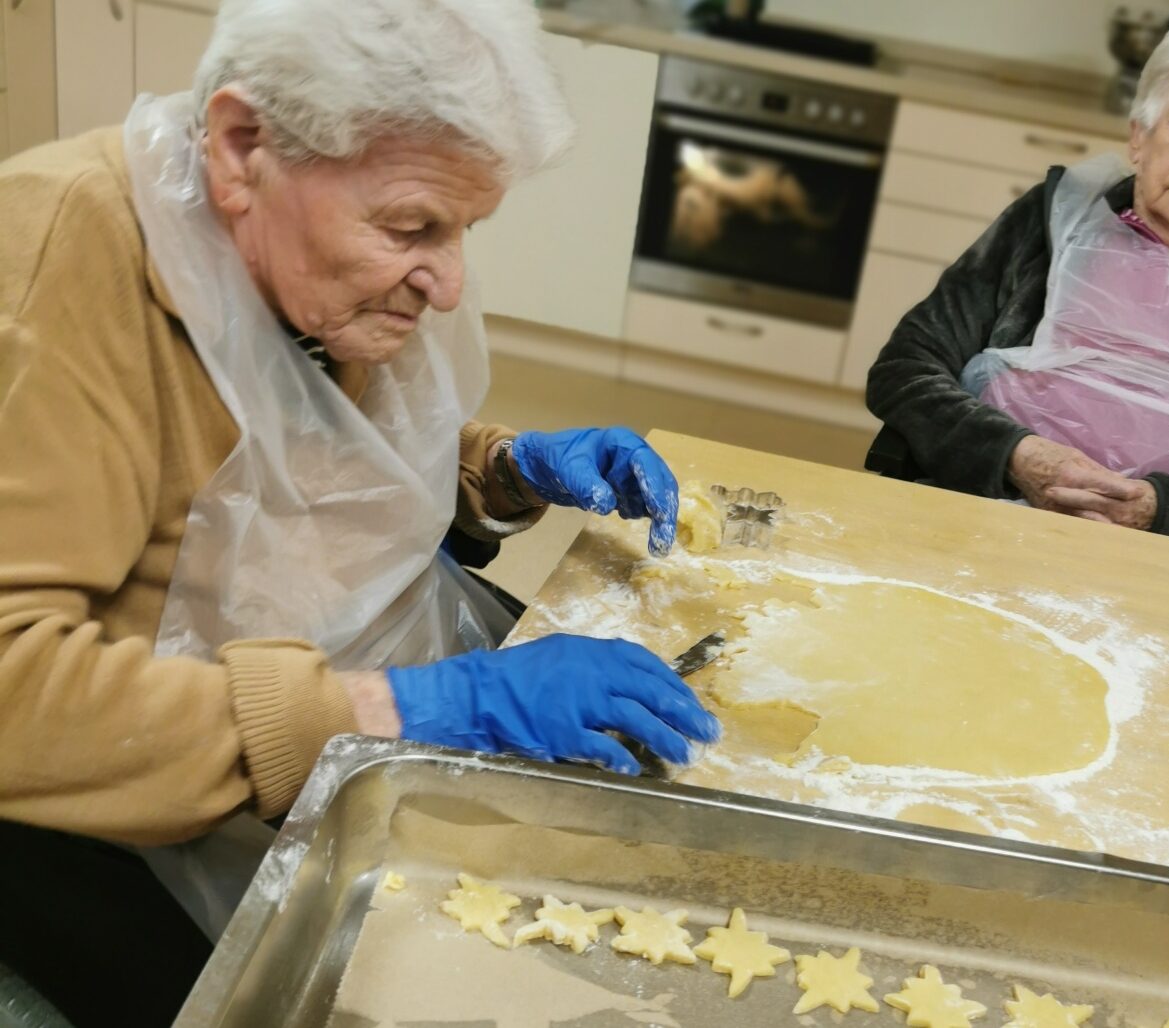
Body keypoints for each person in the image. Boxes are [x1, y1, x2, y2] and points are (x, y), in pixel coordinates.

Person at [0, 0, 719, 1021]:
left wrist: (502, 468)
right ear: (240, 147)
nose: (450, 281)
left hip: (331, 658)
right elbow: (16, 693)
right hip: (107, 792)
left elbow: (306, 454)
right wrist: (409, 711)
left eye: (466, 230)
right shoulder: (53, 270)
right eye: (414, 227)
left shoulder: (303, 247)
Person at [867, 13, 1169, 556]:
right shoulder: (1054, 223)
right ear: (1139, 138)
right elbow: (906, 368)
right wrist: (1020, 458)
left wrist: (1161, 508)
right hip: (990, 524)